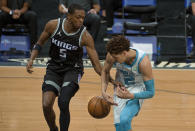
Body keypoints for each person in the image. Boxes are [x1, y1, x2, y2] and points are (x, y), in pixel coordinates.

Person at [26, 4, 109, 131]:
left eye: (83, 18)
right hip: (54, 68)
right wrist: (31, 59)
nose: (81, 20)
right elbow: (39, 43)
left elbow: (96, 65)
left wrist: (111, 80)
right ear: (69, 16)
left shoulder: (85, 36)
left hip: (73, 69)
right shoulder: (53, 25)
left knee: (63, 102)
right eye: (78, 17)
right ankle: (53, 128)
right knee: (46, 105)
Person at [101, 35, 155, 131]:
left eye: (116, 57)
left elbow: (151, 92)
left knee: (124, 119)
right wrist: (103, 92)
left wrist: (130, 95)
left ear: (124, 53)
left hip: (137, 90)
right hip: (120, 90)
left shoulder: (143, 62)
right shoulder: (112, 55)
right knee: (120, 127)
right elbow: (105, 71)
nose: (113, 59)